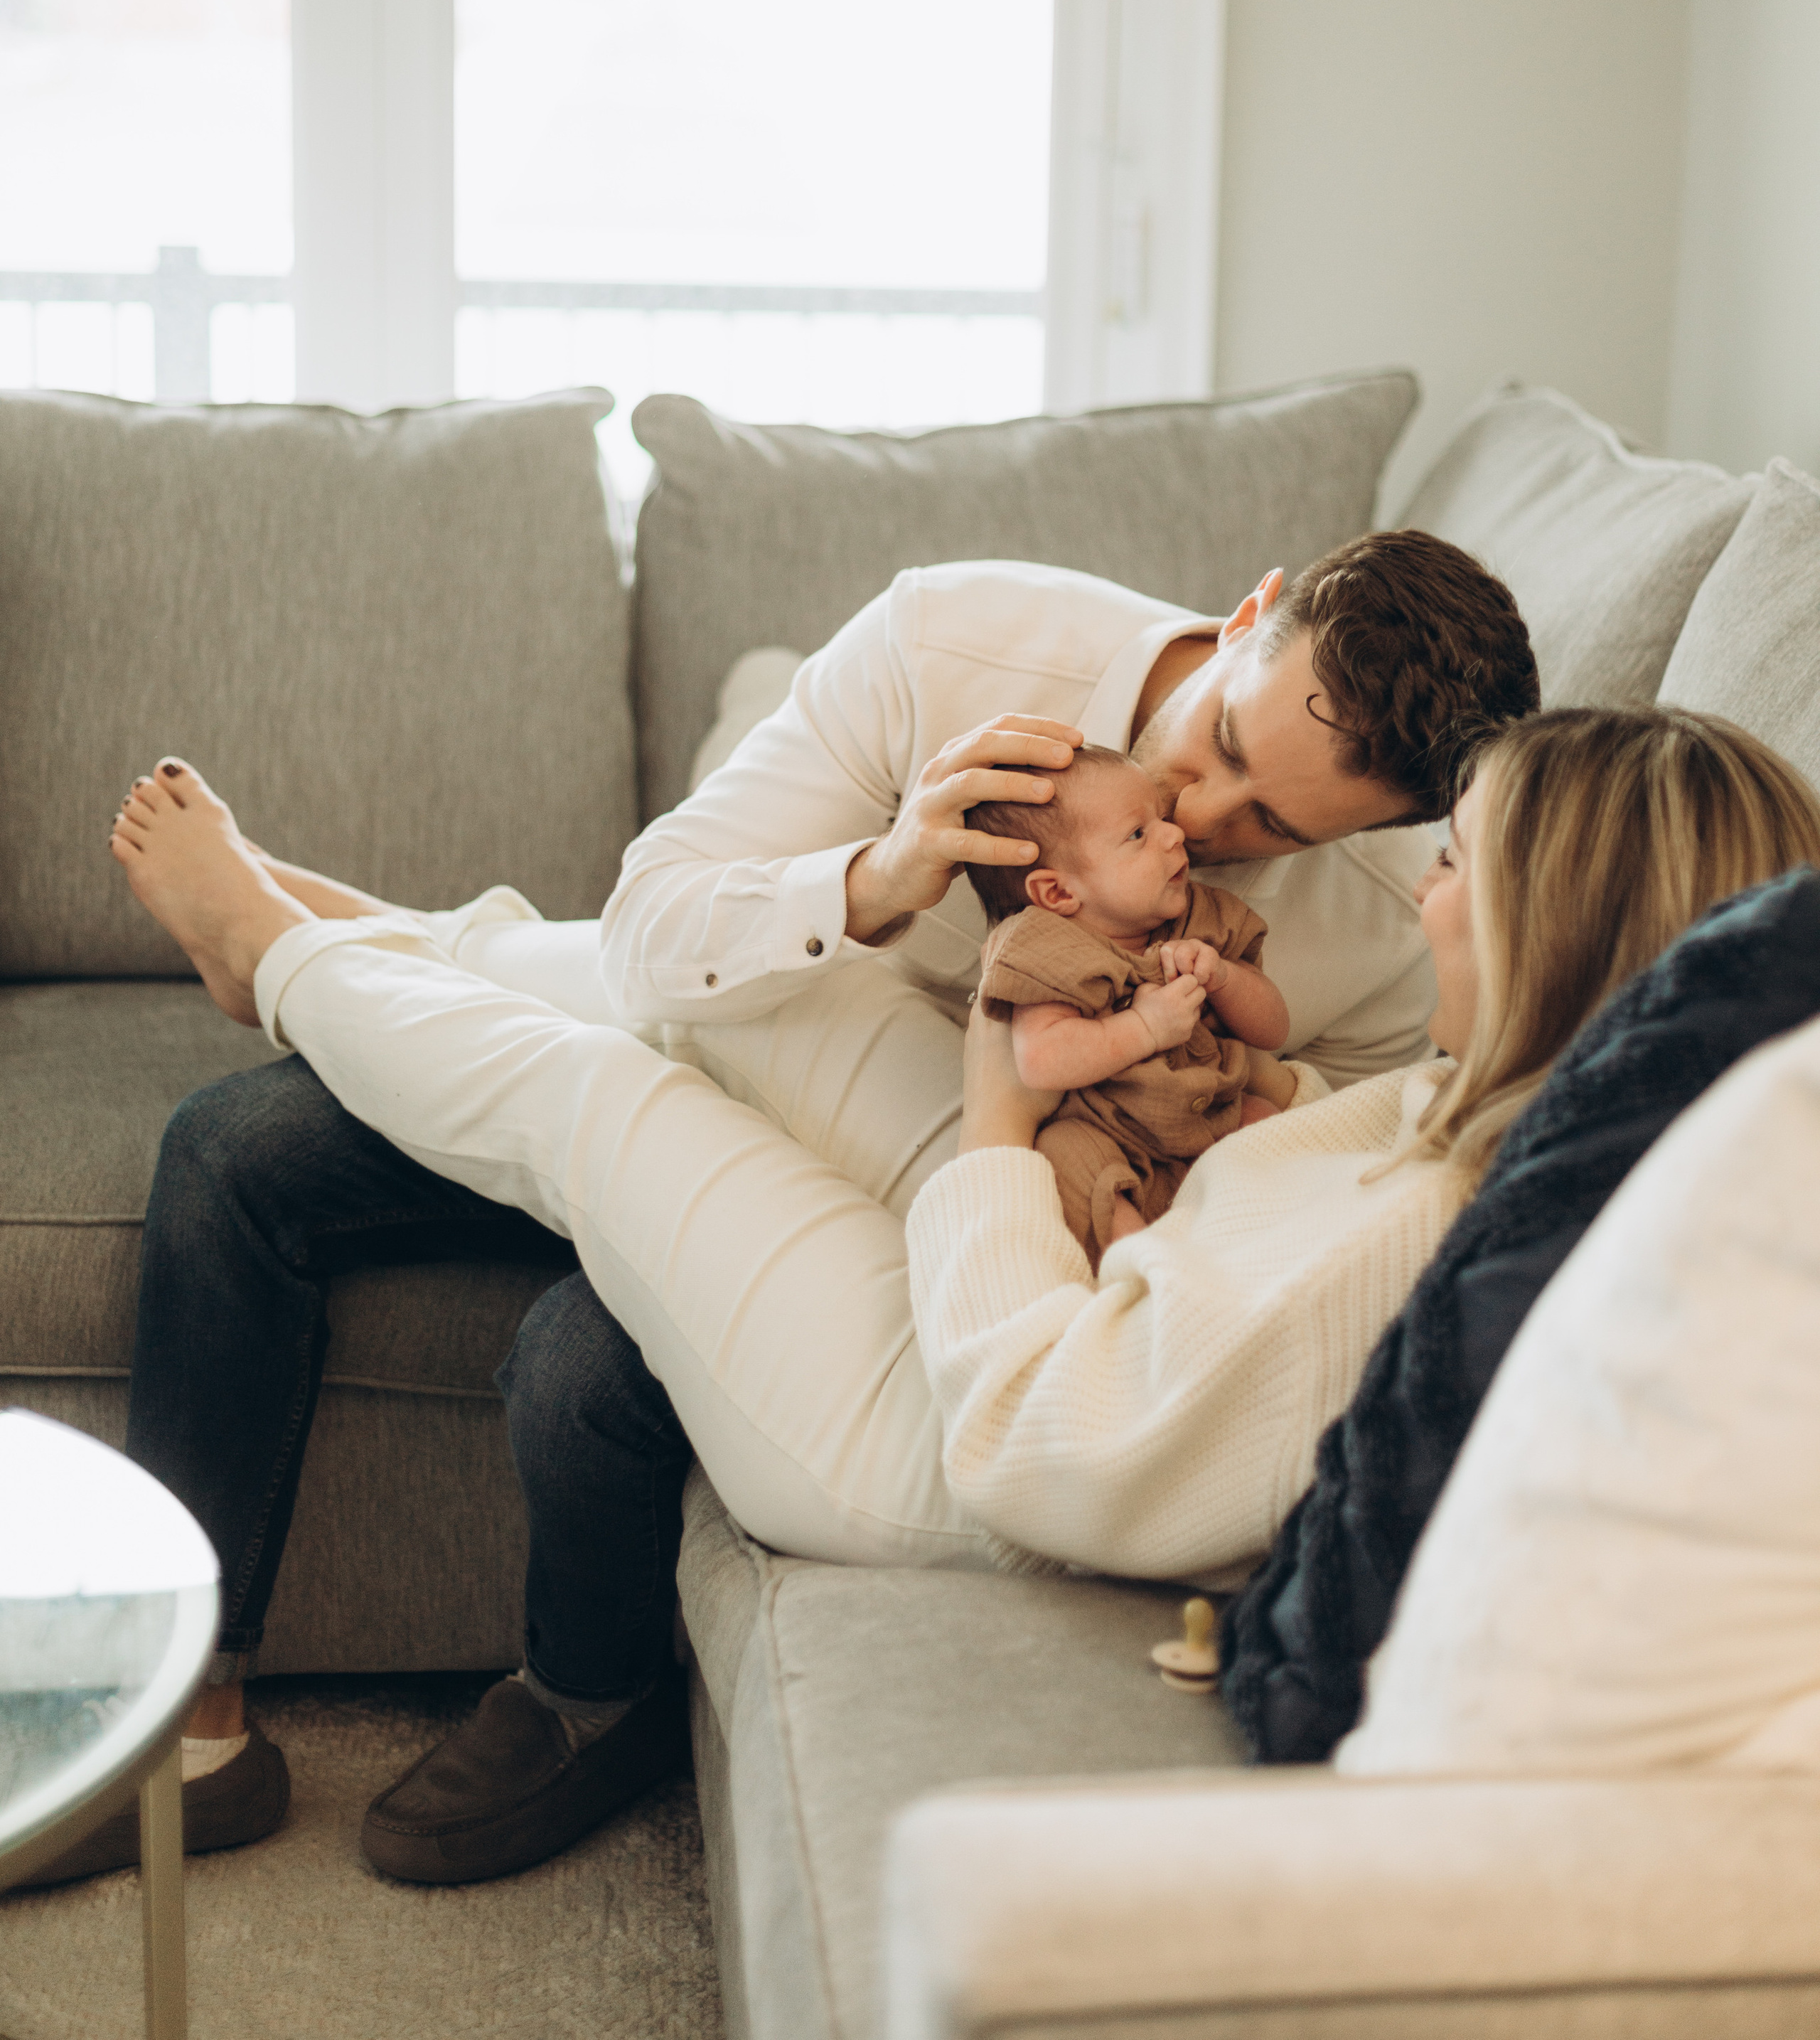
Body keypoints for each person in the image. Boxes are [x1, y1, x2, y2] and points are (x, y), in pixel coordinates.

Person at [65, 533, 1543, 1889]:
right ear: (1244, 614)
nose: (1203, 819)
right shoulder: (961, 640)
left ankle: (588, 1695)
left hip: (961, 1202)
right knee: (236, 1145)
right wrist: (877, 877)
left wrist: (1165, 1090)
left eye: (1273, 823)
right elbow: (653, 936)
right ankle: (190, 1721)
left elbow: (1276, 1197)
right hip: (739, 1013)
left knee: (585, 1354)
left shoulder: (1398, 921)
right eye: (1219, 747)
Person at [964, 745, 1289, 1268]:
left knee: (1265, 1118)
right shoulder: (1044, 947)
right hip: (1108, 1137)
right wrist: (1145, 1027)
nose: (1173, 834)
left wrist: (1227, 978)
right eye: (1138, 834)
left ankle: (1277, 1238)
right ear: (1058, 894)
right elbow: (1041, 1059)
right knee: (1068, 1158)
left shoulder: (1204, 918)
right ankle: (1150, 1268)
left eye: (1160, 818)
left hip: (1214, 1112)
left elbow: (1273, 1032)